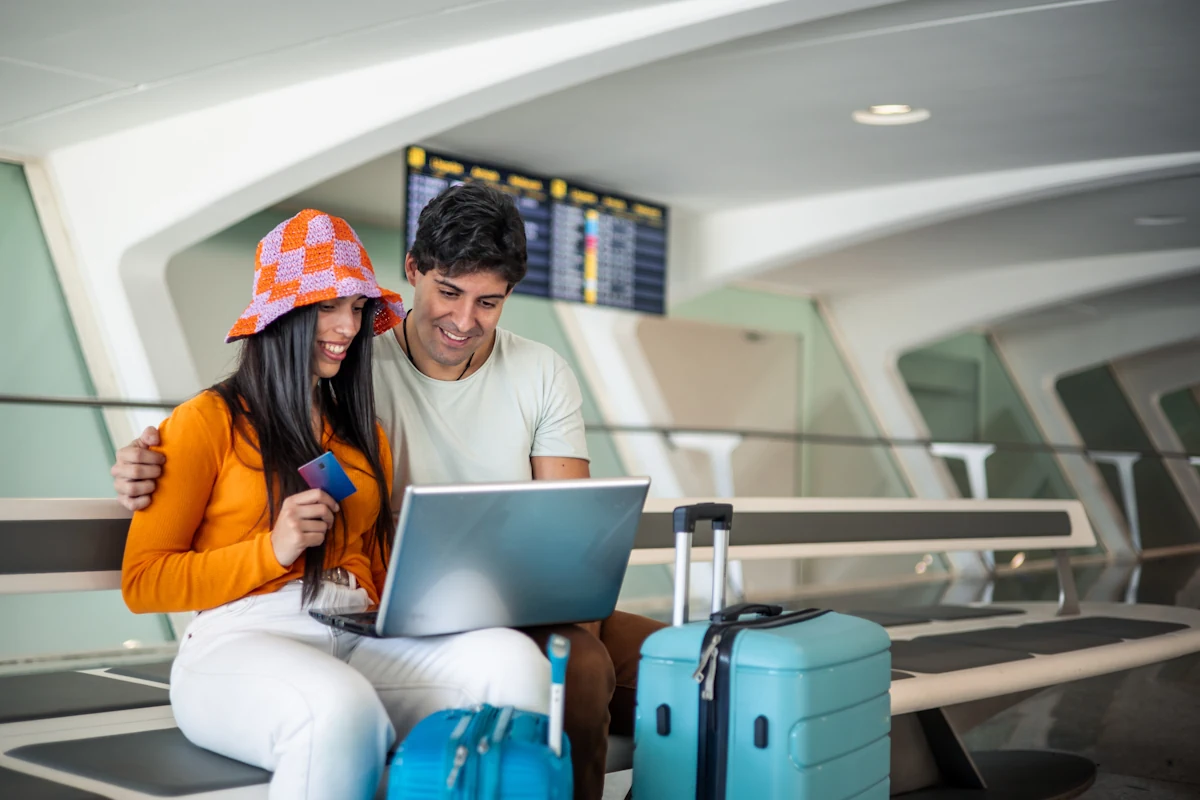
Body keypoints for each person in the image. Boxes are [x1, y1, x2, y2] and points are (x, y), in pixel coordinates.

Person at [113, 184, 667, 800]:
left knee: (519, 671)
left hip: (354, 627)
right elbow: (144, 582)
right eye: (327, 308)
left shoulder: (349, 436)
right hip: (246, 634)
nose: (347, 327)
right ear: (282, 313)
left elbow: (356, 542)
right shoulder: (202, 421)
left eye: (354, 308)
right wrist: (272, 549)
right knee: (341, 710)